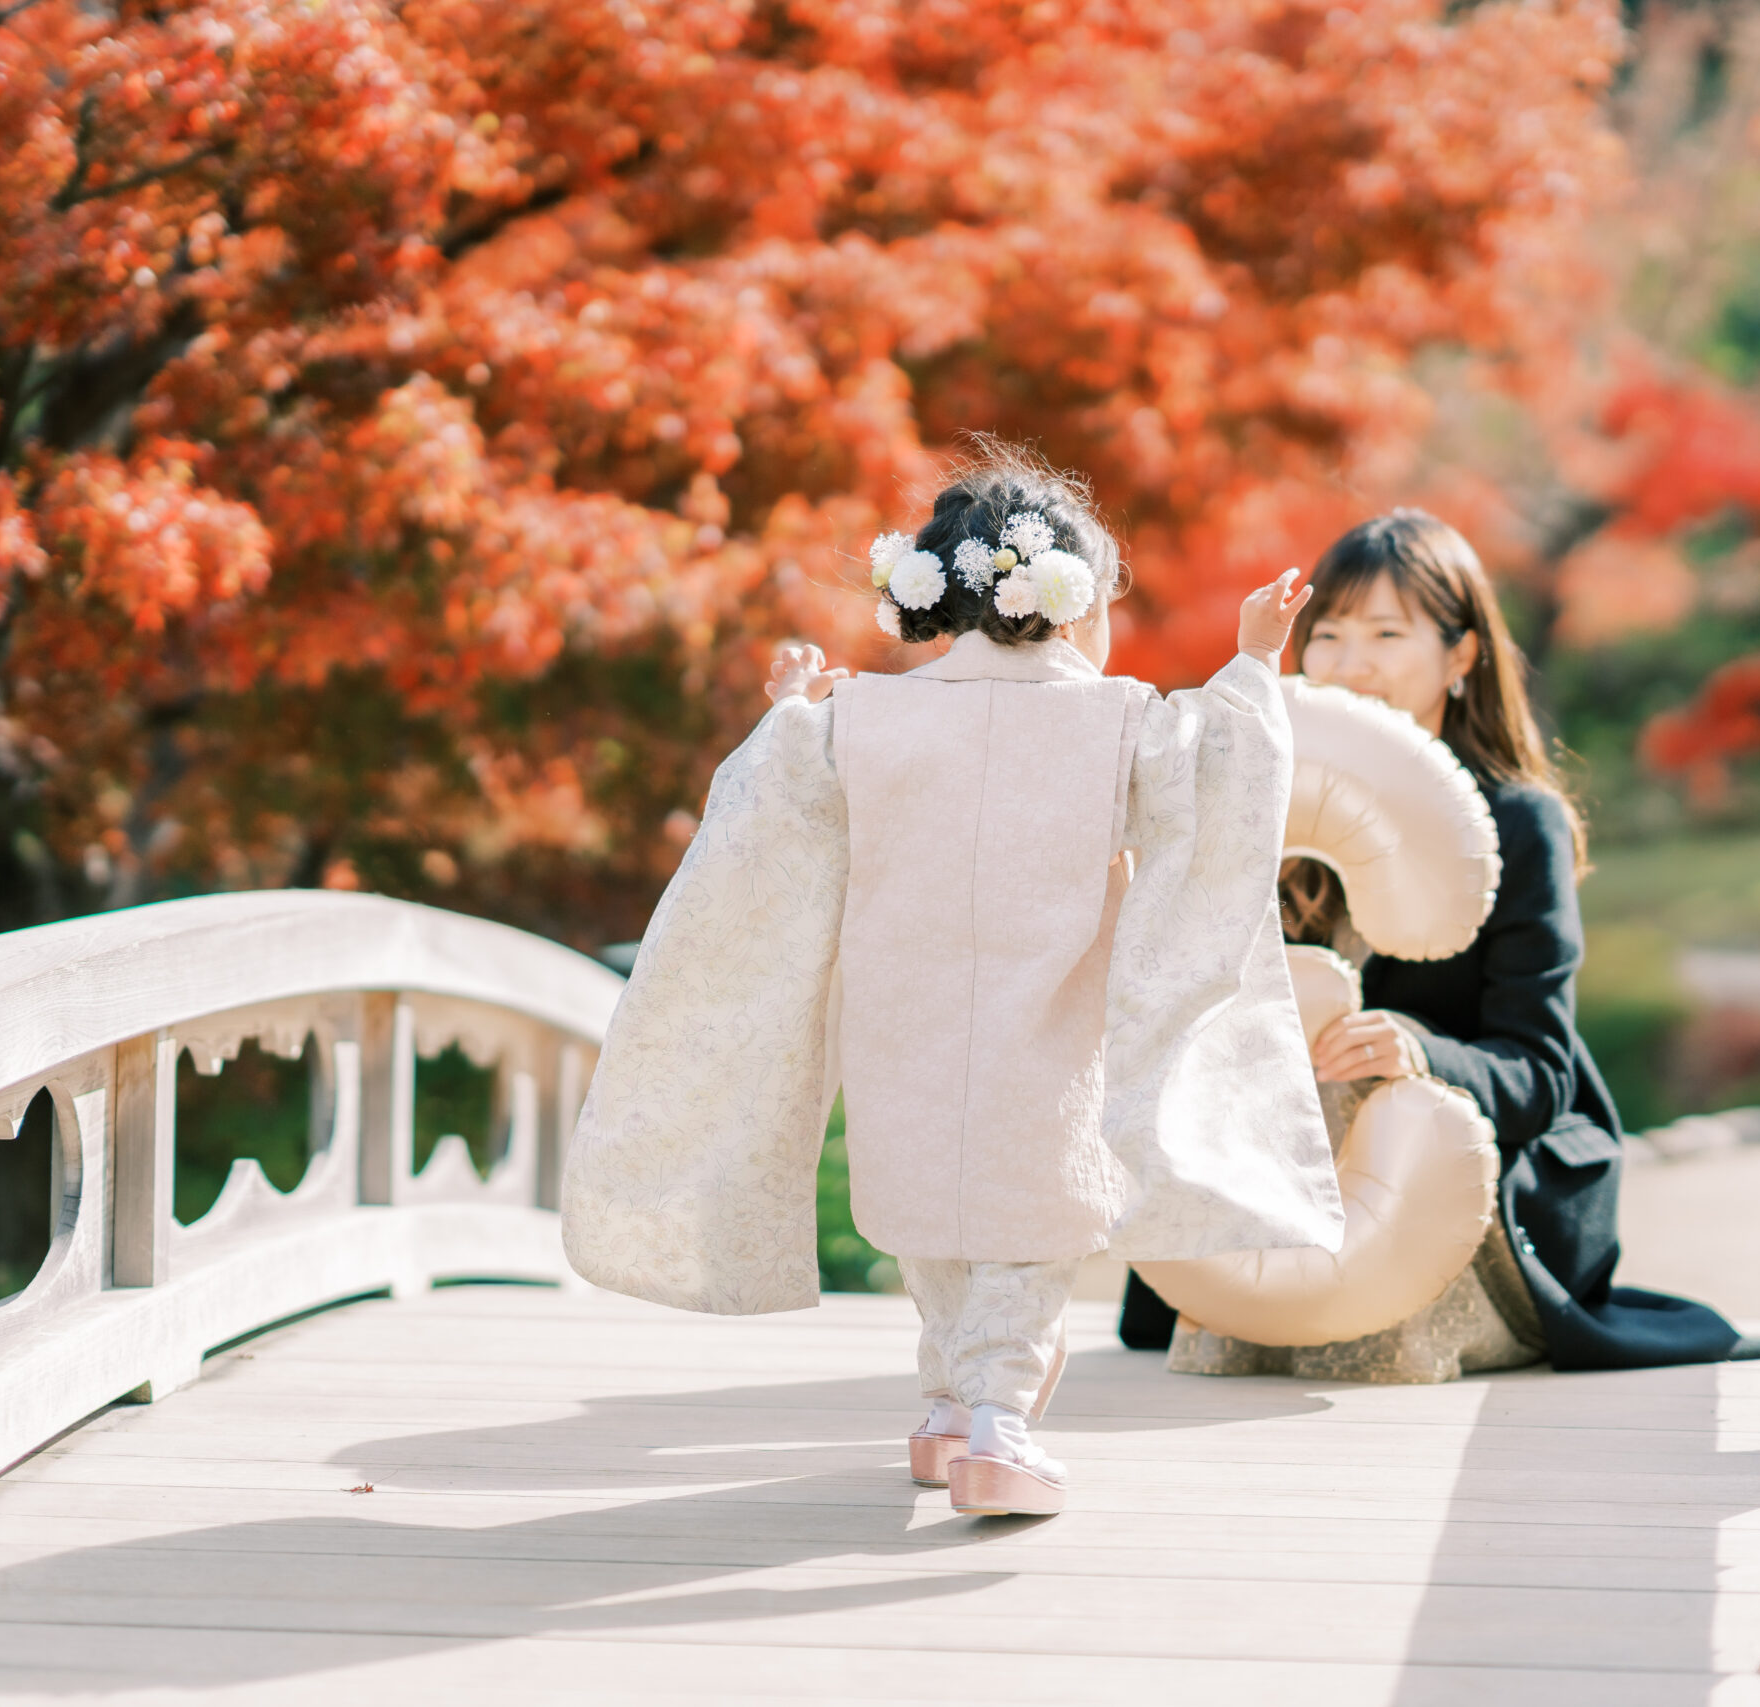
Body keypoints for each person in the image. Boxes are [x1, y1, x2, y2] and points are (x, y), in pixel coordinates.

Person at [561, 446, 1342, 1518]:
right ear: (1070, 602)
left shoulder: (866, 720)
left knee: (933, 1217)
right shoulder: (1112, 719)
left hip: (902, 1021)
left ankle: (943, 1406)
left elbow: (781, 795)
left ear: (938, 596)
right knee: (1029, 1228)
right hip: (1048, 1026)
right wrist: (1254, 662)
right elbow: (1221, 775)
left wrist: (793, 704)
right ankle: (998, 1431)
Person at [1120, 509, 1760, 1370]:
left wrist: (1419, 1050)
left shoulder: (1518, 822)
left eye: (1388, 633)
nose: (1351, 663)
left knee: (1396, 1119)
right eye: (1328, 634)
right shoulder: (1262, 802)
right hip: (1289, 1158)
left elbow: (1540, 1069)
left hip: (1449, 1162)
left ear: (1461, 655)